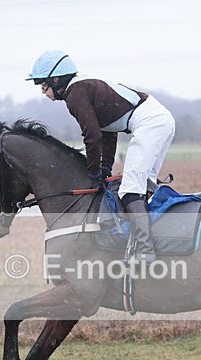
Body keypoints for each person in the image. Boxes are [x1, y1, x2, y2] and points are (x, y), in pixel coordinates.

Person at [26, 50, 175, 263]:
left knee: (131, 190)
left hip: (150, 123)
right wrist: (104, 168)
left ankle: (145, 250)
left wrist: (93, 171)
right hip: (159, 120)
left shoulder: (74, 93)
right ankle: (153, 240)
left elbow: (92, 135)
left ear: (56, 80)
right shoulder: (83, 87)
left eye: (43, 85)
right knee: (145, 186)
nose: (43, 92)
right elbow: (107, 132)